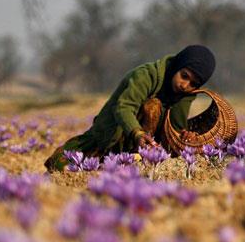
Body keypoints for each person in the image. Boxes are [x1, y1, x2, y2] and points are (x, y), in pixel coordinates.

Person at [45, 44, 216, 172]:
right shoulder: (147, 75)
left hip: (143, 147)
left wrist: (184, 136)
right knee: (67, 166)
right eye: (184, 76)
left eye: (193, 83)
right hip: (112, 135)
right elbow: (124, 107)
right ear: (177, 66)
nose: (185, 85)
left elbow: (175, 127)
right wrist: (138, 133)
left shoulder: (186, 94)